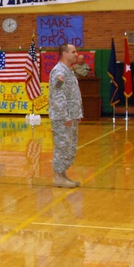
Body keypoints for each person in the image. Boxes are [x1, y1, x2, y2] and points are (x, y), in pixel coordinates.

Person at [49, 44, 83, 188]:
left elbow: (73, 94)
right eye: (73, 52)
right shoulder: (58, 71)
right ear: (64, 54)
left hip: (70, 115)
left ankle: (63, 175)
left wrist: (77, 113)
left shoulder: (68, 71)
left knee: (69, 146)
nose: (76, 54)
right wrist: (66, 116)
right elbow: (57, 95)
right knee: (62, 146)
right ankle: (58, 176)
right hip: (62, 117)